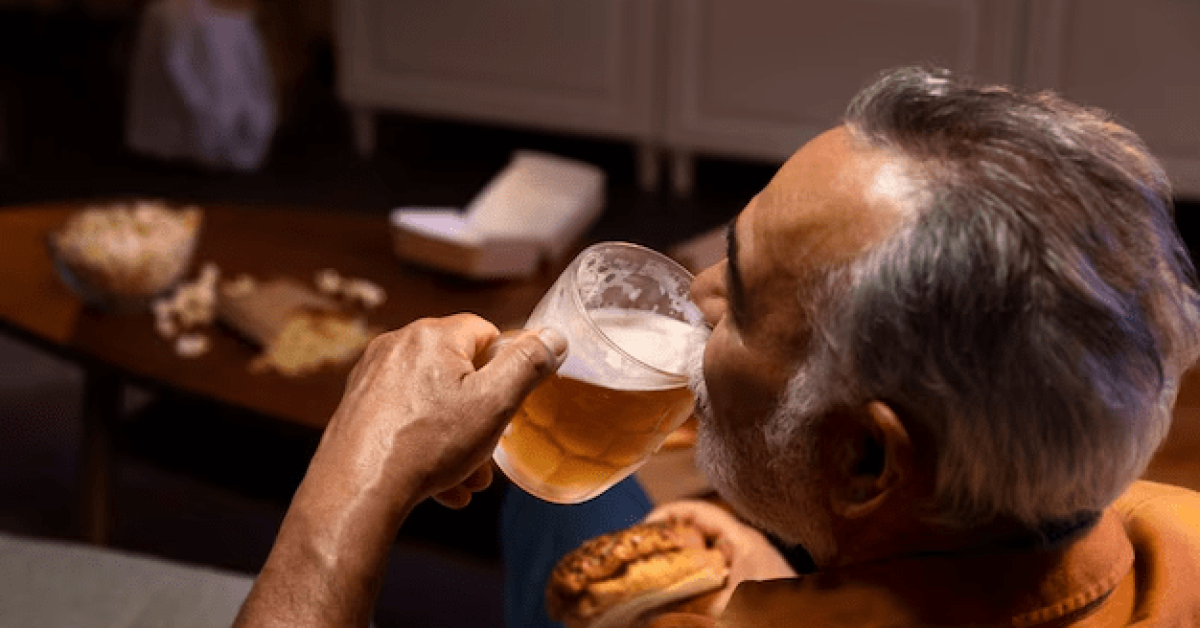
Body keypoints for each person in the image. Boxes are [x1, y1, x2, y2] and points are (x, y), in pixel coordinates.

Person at [234, 67, 1200, 627]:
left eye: (735, 294)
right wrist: (813, 578)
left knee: (576, 502)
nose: (696, 298)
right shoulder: (1181, 533)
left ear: (866, 459)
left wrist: (346, 493)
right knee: (579, 500)